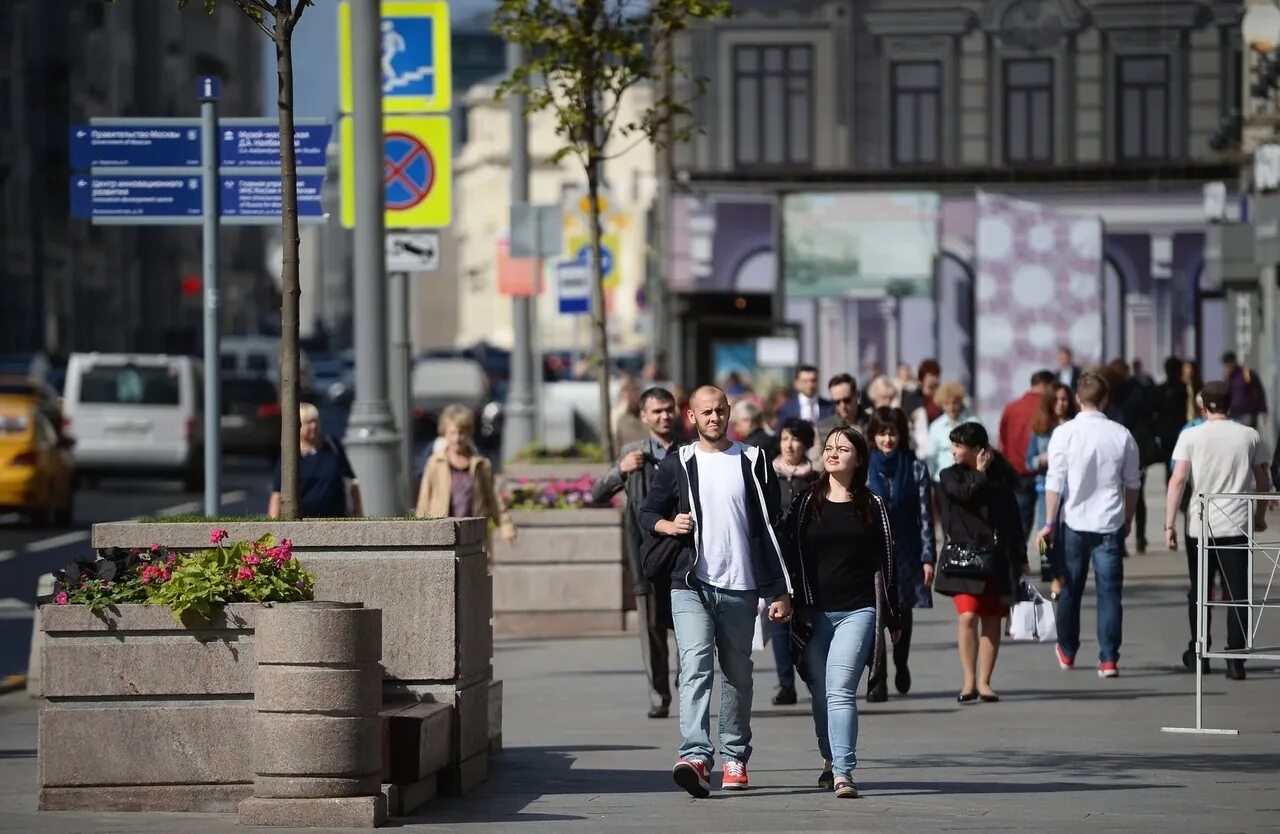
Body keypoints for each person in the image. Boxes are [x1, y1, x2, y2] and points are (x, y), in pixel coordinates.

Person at [639, 386, 793, 798]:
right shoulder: (678, 463)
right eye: (706, 412)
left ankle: (734, 756)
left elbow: (769, 527)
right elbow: (647, 512)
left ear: (730, 414)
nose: (714, 418)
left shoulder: (752, 459)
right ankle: (695, 756)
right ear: (692, 416)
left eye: (720, 411)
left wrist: (778, 590)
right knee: (694, 667)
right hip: (690, 584)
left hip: (741, 586)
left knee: (738, 675)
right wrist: (669, 526)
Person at [783, 426, 900, 799]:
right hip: (812, 613)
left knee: (839, 691)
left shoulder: (873, 505)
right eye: (829, 447)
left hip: (857, 610)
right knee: (820, 692)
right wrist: (782, 597)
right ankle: (829, 758)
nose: (833, 453)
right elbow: (787, 551)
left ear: (859, 458)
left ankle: (844, 772)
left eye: (843, 448)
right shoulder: (805, 503)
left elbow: (888, 559)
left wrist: (893, 617)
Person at [1164, 381, 1271, 681]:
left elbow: (1178, 479)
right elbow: (1262, 480)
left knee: (1200, 591)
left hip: (1200, 524)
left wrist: (1169, 524)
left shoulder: (1191, 435)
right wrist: (1259, 515)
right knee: (1237, 592)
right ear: (1230, 404)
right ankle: (1235, 657)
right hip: (1236, 523)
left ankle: (1200, 651)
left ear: (1202, 406)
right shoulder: (1248, 436)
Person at [1035, 373, 1140, 678]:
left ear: (1079, 398)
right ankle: (1108, 658)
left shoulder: (1065, 434)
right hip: (1109, 521)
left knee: (1071, 589)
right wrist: (1129, 519)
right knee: (1110, 592)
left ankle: (1067, 649)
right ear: (1105, 399)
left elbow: (1055, 481)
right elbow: (1132, 483)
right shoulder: (1121, 435)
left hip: (1074, 522)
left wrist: (1049, 521)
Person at [592, 387, 681, 718]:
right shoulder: (633, 453)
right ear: (643, 416)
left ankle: (687, 686)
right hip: (645, 554)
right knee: (652, 628)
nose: (664, 416)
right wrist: (622, 469)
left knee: (689, 626)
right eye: (656, 411)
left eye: (668, 409)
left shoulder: (689, 451)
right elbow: (598, 492)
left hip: (685, 553)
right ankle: (659, 694)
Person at [933, 423, 1027, 703]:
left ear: (978, 450)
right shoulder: (949, 476)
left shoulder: (1000, 477)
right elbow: (963, 496)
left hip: (997, 558)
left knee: (992, 618)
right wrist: (980, 474)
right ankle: (968, 681)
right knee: (968, 615)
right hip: (964, 559)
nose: (953, 451)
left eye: (959, 446)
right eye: (953, 445)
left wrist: (1020, 557)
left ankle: (984, 682)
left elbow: (1013, 519)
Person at [865, 407, 935, 702]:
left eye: (892, 432)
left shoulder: (916, 469)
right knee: (872, 613)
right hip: (870, 551)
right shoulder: (863, 468)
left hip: (906, 550)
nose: (888, 438)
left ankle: (901, 662)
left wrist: (928, 556)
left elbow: (925, 516)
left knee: (902, 610)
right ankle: (876, 678)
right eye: (882, 433)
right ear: (873, 436)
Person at [768, 417, 819, 706]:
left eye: (796, 439)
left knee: (807, 621)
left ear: (806, 444)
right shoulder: (768, 475)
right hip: (777, 558)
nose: (790, 445)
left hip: (806, 560)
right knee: (778, 621)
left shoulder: (815, 480)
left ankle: (811, 677)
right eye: (785, 438)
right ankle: (785, 683)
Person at [268, 403, 363, 519]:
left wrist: (359, 517)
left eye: (315, 421)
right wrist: (272, 526)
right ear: (297, 426)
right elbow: (277, 494)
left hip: (337, 521)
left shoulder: (332, 446)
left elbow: (352, 483)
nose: (313, 426)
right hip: (302, 523)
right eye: (308, 423)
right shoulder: (290, 455)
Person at [1027, 383, 1076, 594]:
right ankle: (1050, 567)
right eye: (1056, 399)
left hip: (1072, 489)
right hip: (1044, 488)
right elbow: (1028, 462)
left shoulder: (1076, 426)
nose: (1060, 404)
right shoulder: (1040, 429)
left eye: (1064, 399)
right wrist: (1043, 459)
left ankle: (1062, 573)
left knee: (1066, 536)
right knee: (1044, 534)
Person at [999, 370, 1057, 547]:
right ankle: (1046, 565)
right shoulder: (1048, 408)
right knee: (1045, 523)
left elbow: (1003, 441)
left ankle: (1017, 565)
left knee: (1019, 524)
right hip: (1044, 473)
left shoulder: (1012, 407)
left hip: (1016, 472)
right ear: (1046, 385)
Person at [925, 381, 980, 484]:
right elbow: (931, 458)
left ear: (960, 402)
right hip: (942, 481)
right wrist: (928, 481)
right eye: (946, 403)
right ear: (941, 404)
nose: (951, 407)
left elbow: (983, 449)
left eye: (954, 402)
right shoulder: (936, 426)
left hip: (968, 479)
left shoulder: (973, 422)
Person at [1155, 357, 1195, 482]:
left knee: (1168, 464)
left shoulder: (1160, 389)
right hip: (1181, 430)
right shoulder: (1184, 388)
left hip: (1165, 432)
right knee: (1183, 462)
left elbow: (1155, 410)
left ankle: (1170, 489)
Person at [813, 373, 860, 468]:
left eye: (847, 400)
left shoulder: (871, 423)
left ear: (857, 396)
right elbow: (815, 464)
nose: (842, 406)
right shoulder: (822, 427)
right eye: (837, 402)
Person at [1222, 351, 1269, 429]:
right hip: (1233, 414)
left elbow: (1258, 390)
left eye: (1229, 363)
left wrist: (1262, 409)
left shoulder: (1246, 373)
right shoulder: (1228, 377)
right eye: (1226, 365)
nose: (1228, 366)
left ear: (1234, 362)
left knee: (1248, 437)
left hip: (1247, 413)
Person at [907, 360, 943, 458]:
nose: (933, 379)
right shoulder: (912, 397)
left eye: (936, 375)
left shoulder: (943, 398)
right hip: (918, 447)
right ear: (923, 377)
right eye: (930, 375)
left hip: (939, 445)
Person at [612, 373, 649, 448]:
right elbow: (614, 439)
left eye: (635, 390)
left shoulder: (647, 412)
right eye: (628, 390)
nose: (633, 394)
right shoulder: (617, 414)